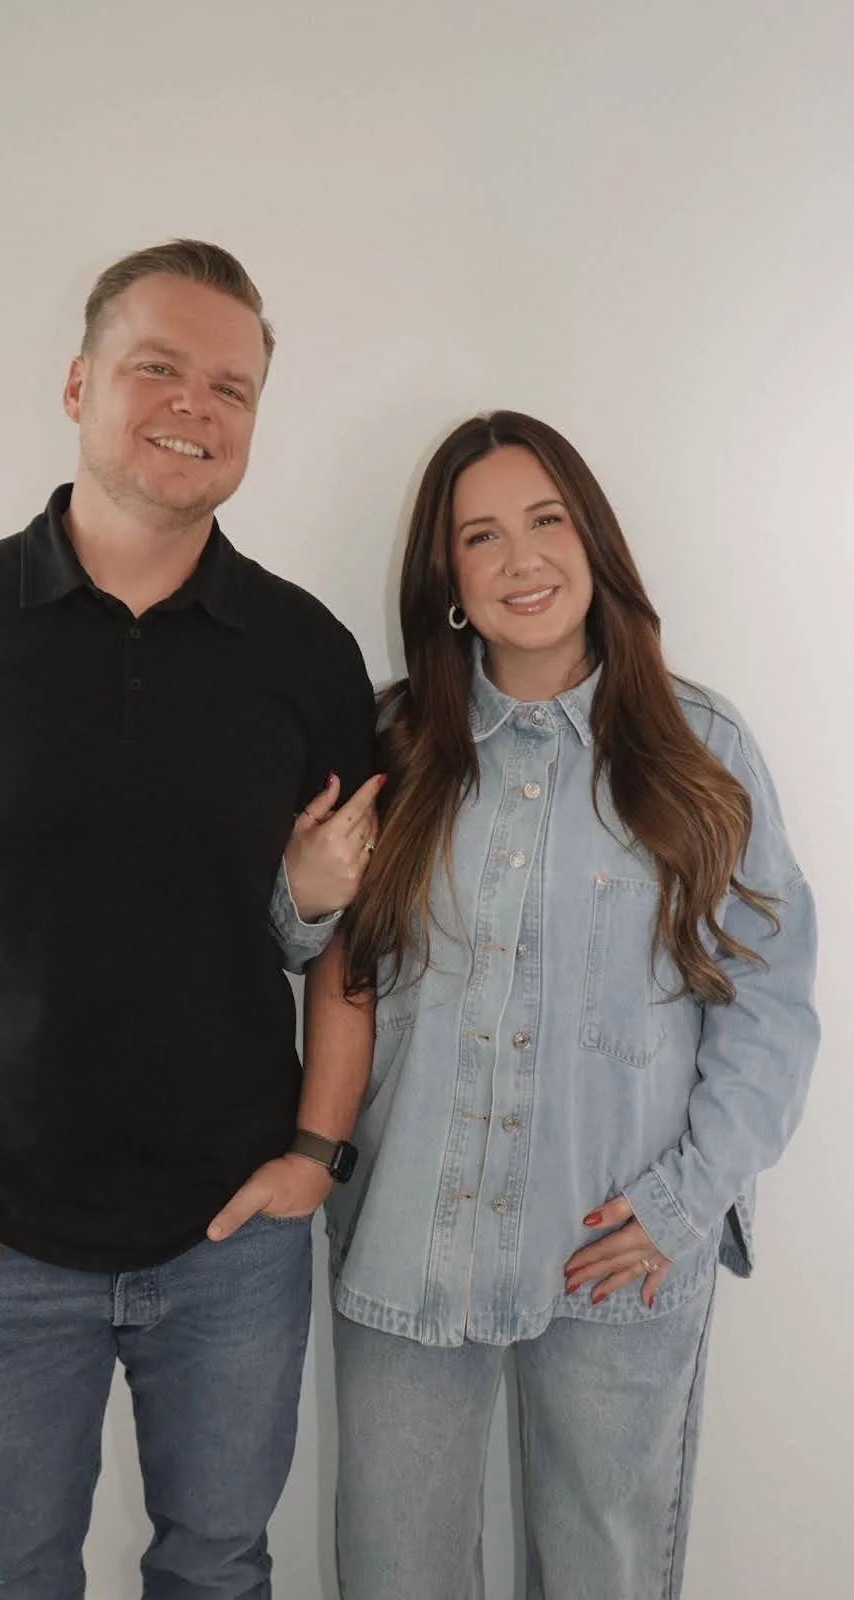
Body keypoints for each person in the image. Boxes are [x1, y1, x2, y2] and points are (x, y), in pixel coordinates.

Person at [0, 239, 382, 1600]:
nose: (195, 405)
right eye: (157, 367)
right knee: (11, 1573)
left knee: (218, 1564)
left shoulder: (306, 653)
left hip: (230, 1238)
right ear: (80, 383)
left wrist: (316, 1151)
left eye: (231, 387)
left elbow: (355, 932)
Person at [312, 411, 819, 1600]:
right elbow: (324, 951)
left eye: (545, 521)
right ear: (448, 581)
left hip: (617, 1248)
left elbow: (771, 1005)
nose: (520, 560)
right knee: (393, 1572)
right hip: (409, 1231)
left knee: (605, 1568)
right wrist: (295, 897)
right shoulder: (394, 742)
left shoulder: (702, 747)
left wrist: (689, 1201)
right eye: (480, 537)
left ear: (592, 539)